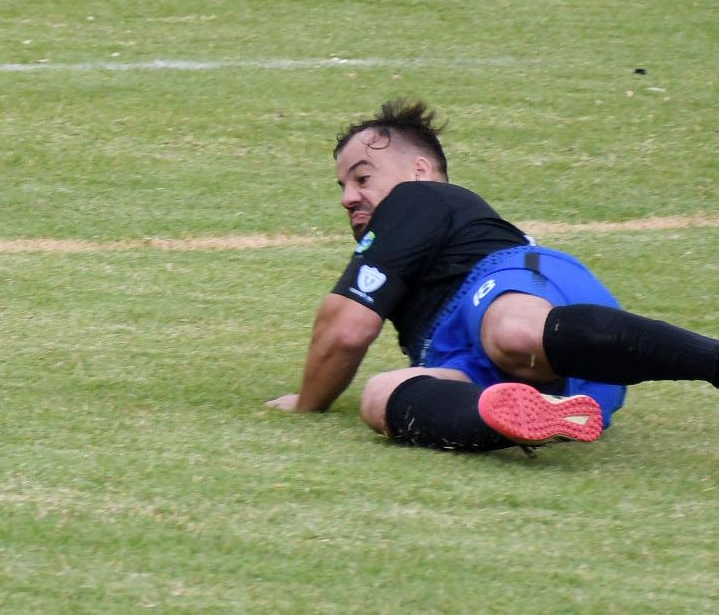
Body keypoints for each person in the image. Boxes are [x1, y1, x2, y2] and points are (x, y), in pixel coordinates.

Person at [267, 99, 719, 450]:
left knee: (512, 333)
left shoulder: (417, 197)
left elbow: (346, 329)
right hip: (573, 390)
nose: (348, 197)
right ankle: (533, 417)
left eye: (362, 178)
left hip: (518, 289)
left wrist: (306, 403)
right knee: (381, 396)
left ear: (419, 171)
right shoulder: (402, 229)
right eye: (343, 186)